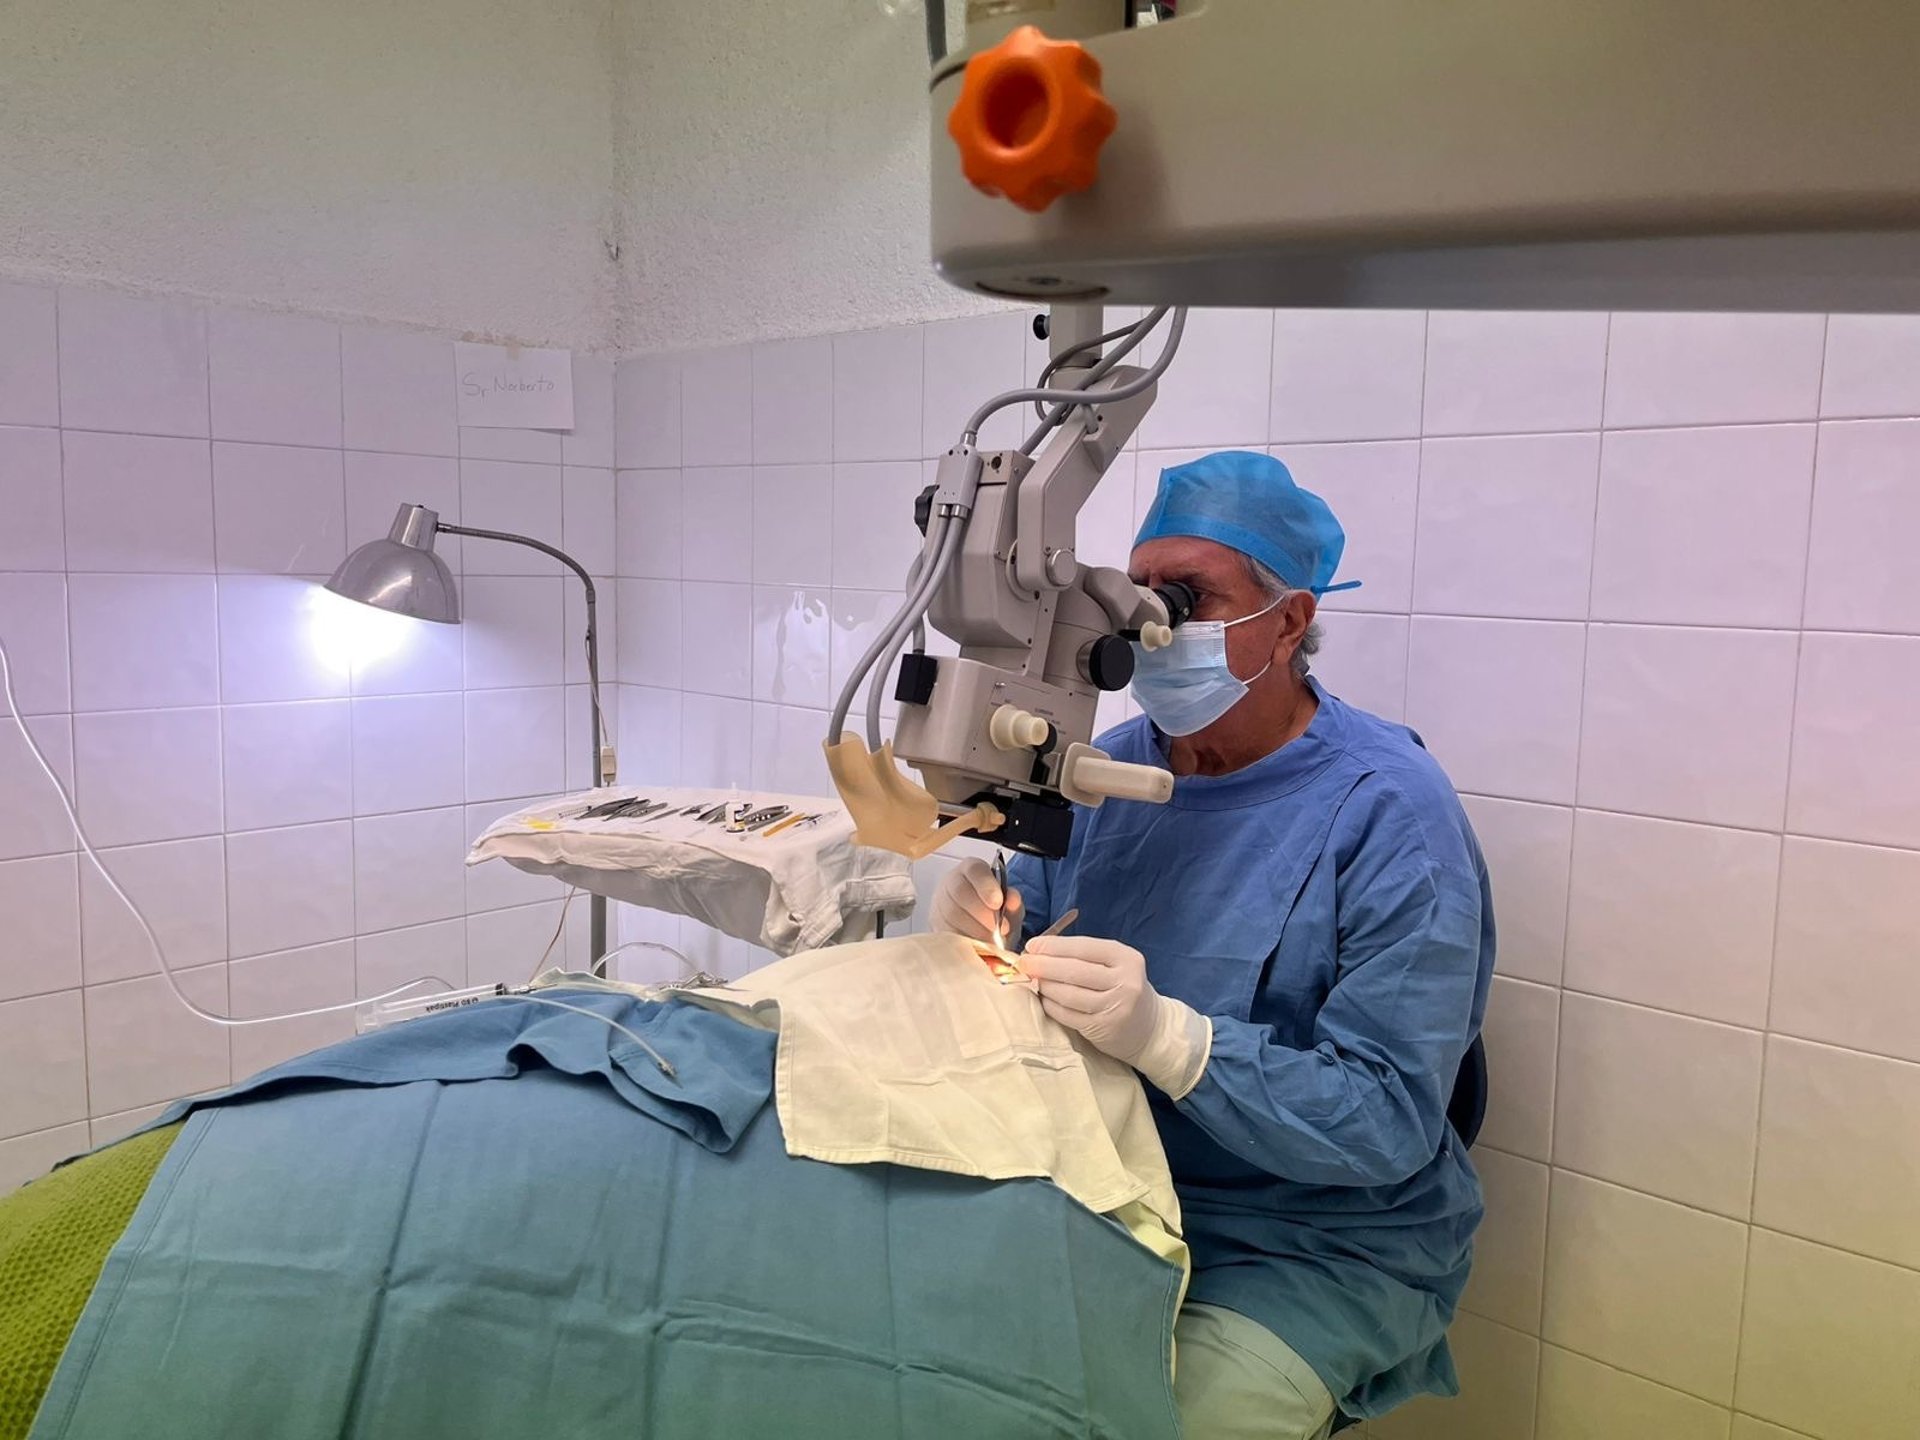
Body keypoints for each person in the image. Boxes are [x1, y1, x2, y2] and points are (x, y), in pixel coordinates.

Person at [931, 450, 1495, 1440]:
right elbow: (1025, 941)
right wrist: (986, 920)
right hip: (1105, 1191)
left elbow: (1391, 1121)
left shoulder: (1389, 814)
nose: (1151, 624)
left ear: (1288, 621)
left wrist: (1176, 1044)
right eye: (1136, 593)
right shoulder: (1098, 769)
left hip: (1306, 1242)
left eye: (1186, 597)